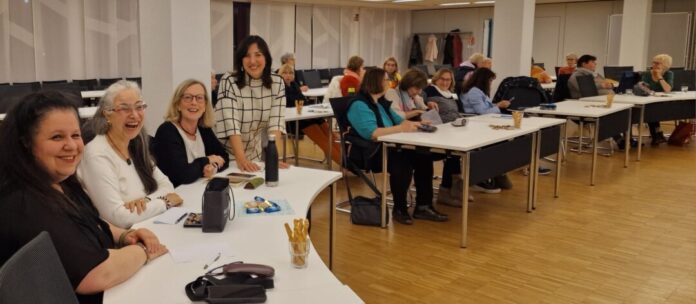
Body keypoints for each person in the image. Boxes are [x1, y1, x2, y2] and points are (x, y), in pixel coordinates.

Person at [0, 92, 168, 304]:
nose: (71, 146)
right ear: (26, 144)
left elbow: (89, 219)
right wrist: (144, 250)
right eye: (57, 137)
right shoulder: (25, 204)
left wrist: (125, 236)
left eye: (75, 135)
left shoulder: (59, 181)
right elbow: (97, 273)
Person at [346, 68, 448, 225]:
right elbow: (373, 133)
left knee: (423, 156)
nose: (389, 83)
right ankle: (399, 209)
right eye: (385, 80)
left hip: (390, 146)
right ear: (376, 82)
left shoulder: (380, 103)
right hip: (371, 151)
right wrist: (401, 129)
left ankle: (423, 206)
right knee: (403, 161)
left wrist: (418, 124)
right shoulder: (359, 105)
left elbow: (399, 121)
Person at [79, 80, 183, 229]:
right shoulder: (96, 154)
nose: (134, 115)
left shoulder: (135, 145)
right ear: (107, 114)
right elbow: (118, 218)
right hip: (123, 242)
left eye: (139, 107)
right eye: (124, 109)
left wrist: (146, 200)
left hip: (149, 227)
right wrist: (164, 202)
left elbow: (167, 185)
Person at [215, 35, 289, 172]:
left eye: (258, 55)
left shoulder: (277, 82)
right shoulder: (229, 80)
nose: (253, 61)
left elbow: (276, 123)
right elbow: (231, 125)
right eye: (247, 56)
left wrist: (273, 158)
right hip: (224, 155)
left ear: (266, 58)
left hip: (253, 153)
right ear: (241, 60)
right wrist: (241, 159)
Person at [153, 79, 229, 187]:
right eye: (188, 98)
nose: (194, 102)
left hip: (198, 190)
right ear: (178, 104)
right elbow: (182, 175)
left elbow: (223, 156)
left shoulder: (203, 129)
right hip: (177, 196)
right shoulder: (167, 131)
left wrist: (213, 166)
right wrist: (207, 160)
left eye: (199, 98)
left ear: (205, 106)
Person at [279, 63, 342, 164]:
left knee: (328, 131)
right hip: (293, 121)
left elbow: (303, 100)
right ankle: (344, 162)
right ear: (280, 75)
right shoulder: (280, 87)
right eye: (285, 73)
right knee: (323, 140)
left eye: (291, 73)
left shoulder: (294, 85)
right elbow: (290, 103)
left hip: (303, 116)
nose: (288, 75)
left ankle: (348, 157)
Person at [642, 54, 674, 145]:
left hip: (664, 102)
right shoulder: (647, 74)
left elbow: (667, 89)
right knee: (651, 110)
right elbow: (643, 88)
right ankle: (657, 135)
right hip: (649, 101)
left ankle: (657, 135)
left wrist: (660, 76)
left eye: (658, 63)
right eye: (654, 62)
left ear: (665, 66)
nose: (654, 65)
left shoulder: (669, 74)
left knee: (653, 110)